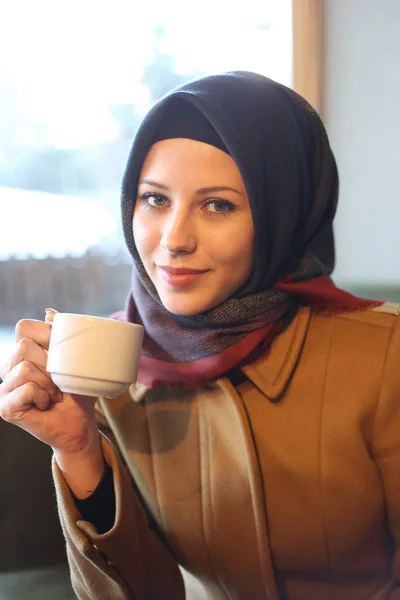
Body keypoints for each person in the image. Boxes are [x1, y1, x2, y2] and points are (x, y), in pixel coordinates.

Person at [0, 71, 399, 600]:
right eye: (155, 199)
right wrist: (78, 450)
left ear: (283, 216)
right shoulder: (111, 370)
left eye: (218, 205)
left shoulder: (383, 355)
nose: (174, 240)